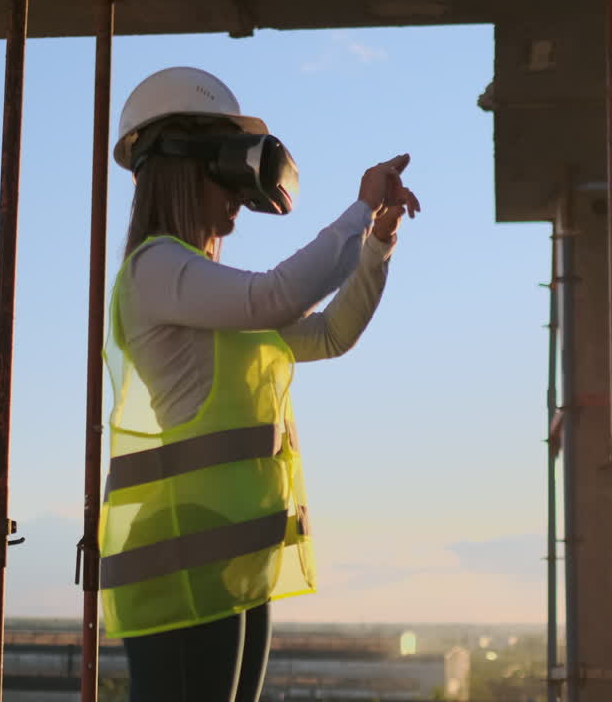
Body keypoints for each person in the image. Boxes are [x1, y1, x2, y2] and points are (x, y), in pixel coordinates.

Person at [99, 66, 421, 702]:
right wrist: (358, 210)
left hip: (229, 551)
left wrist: (379, 243)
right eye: (229, 173)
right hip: (180, 553)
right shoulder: (156, 271)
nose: (241, 201)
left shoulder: (207, 294)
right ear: (189, 168)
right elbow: (276, 297)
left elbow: (330, 334)